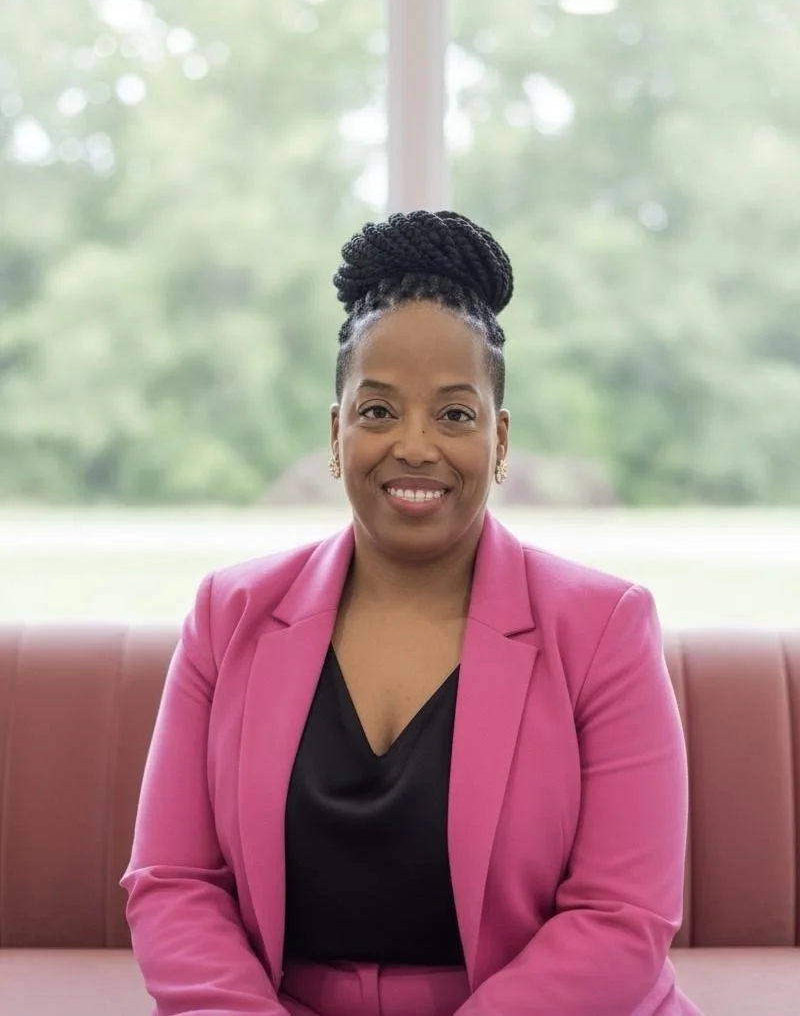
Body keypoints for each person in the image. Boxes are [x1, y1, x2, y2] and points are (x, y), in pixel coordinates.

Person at [122, 210, 703, 1016]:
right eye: (378, 410)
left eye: (455, 414)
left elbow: (621, 919)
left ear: (499, 442)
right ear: (336, 434)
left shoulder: (605, 627)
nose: (416, 445)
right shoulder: (229, 615)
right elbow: (175, 884)